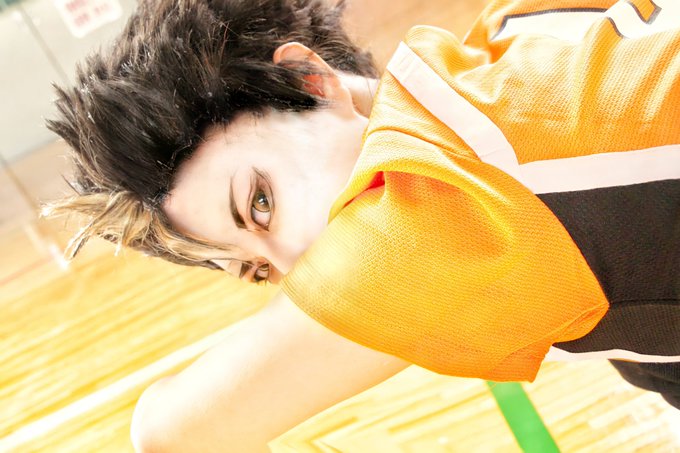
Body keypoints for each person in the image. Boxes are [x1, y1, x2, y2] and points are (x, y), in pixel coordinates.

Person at [46, 0, 679, 451]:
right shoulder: (512, 29)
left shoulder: (436, 215)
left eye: (261, 202)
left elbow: (171, 434)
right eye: (258, 269)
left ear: (311, 81)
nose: (297, 265)